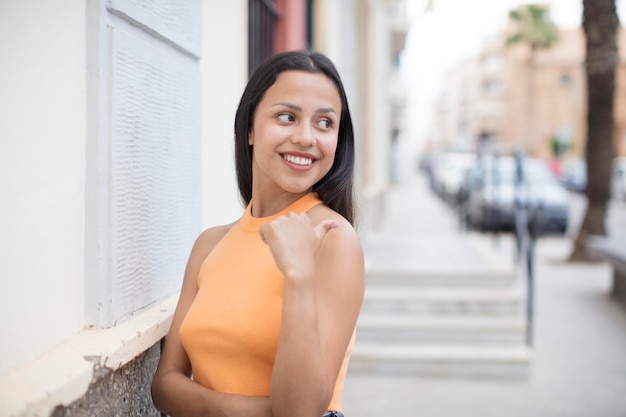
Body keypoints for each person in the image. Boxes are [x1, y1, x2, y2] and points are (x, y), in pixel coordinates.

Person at [151, 50, 365, 417]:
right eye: (287, 117)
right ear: (250, 128)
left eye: (324, 123)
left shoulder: (332, 238)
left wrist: (298, 275)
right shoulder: (210, 245)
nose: (305, 137)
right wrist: (238, 410)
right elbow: (165, 384)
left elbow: (299, 411)